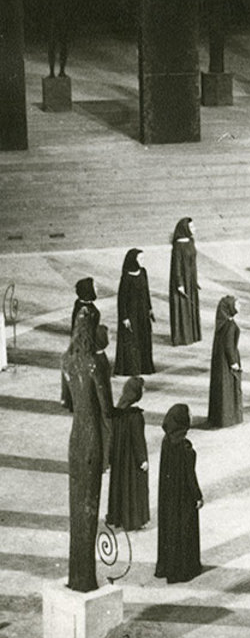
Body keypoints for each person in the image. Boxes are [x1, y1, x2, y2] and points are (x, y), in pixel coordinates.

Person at [61, 311, 111, 592]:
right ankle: (85, 578)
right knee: (89, 510)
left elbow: (68, 399)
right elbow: (106, 409)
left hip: (75, 440)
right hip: (92, 440)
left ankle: (75, 575)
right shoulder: (94, 364)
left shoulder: (67, 360)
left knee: (76, 511)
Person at [155, 404, 203, 584]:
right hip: (183, 498)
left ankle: (168, 566)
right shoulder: (184, 447)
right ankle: (185, 568)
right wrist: (198, 496)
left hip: (169, 497)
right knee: (185, 530)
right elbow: (190, 476)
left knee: (170, 530)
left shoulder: (166, 442)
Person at [106, 376, 149, 531]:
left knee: (120, 486)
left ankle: (117, 516)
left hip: (120, 458)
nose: (144, 390)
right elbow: (138, 440)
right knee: (133, 487)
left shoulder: (118, 412)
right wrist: (142, 460)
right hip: (132, 460)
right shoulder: (135, 416)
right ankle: (135, 520)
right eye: (142, 388)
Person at [115, 248, 155, 376]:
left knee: (144, 338)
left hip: (143, 312)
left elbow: (146, 292)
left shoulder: (143, 272)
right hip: (131, 314)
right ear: (134, 260)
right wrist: (124, 317)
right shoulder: (126, 277)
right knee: (132, 340)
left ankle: (145, 367)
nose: (143, 261)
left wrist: (150, 308)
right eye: (140, 258)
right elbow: (121, 299)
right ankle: (132, 368)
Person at [62, 278, 100, 410]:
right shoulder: (86, 310)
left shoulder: (79, 304)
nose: (97, 289)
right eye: (95, 287)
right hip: (84, 348)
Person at [207, 296, 242, 428]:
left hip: (220, 361)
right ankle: (229, 417)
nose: (239, 306)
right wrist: (234, 362)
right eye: (237, 304)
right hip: (227, 361)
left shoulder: (222, 324)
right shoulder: (230, 326)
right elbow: (229, 346)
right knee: (229, 389)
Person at [168, 217, 201, 346]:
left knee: (191, 306)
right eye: (191, 227)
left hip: (191, 279)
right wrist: (180, 284)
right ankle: (182, 337)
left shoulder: (191, 241)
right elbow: (176, 266)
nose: (194, 229)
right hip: (182, 280)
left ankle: (193, 335)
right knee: (182, 307)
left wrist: (195, 280)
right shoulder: (178, 246)